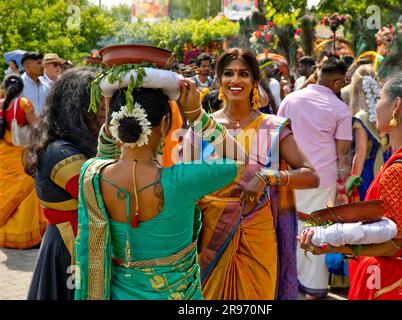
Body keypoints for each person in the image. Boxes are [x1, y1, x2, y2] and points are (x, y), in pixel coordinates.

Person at [74, 57, 248, 299]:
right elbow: (239, 161)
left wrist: (112, 116)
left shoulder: (92, 175)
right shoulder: (183, 180)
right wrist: (197, 116)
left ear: (113, 125)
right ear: (166, 123)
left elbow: (104, 152)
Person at [299, 67, 402, 300]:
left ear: (396, 105)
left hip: (385, 282)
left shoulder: (400, 167)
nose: (375, 105)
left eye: (380, 98)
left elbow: (394, 244)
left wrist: (332, 244)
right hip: (397, 278)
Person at [184, 48, 319, 300]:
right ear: (219, 80)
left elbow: (311, 175)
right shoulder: (202, 128)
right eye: (228, 74)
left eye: (243, 74)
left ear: (255, 82)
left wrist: (269, 176)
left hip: (256, 238)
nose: (235, 80)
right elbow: (184, 183)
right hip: (209, 239)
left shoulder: (271, 126)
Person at [278, 57, 353, 299]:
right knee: (318, 230)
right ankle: (314, 289)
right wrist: (344, 186)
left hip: (292, 176)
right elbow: (343, 152)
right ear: (337, 81)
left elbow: (276, 137)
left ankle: (292, 282)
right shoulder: (340, 108)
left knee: (292, 226)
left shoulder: (290, 99)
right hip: (323, 179)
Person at [25, 68, 103, 300]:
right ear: (76, 109)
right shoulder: (59, 151)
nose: (104, 112)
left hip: (78, 242)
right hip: (68, 247)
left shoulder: (75, 144)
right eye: (98, 106)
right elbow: (101, 192)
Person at [0, 75, 46, 249]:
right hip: (21, 157)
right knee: (27, 196)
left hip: (4, 157)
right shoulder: (23, 103)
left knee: (7, 192)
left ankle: (6, 235)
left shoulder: (1, 104)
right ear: (21, 88)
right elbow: (35, 127)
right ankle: (25, 237)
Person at [350, 64, 390, 200]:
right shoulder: (386, 112)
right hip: (387, 164)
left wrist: (352, 181)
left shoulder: (361, 117)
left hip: (368, 171)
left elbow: (360, 153)